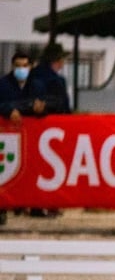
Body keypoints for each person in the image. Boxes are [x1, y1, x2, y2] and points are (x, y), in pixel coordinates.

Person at [0, 51, 48, 225]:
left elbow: (47, 105)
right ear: (13, 67)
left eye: (24, 66)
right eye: (18, 66)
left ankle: (34, 206)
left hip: (31, 137)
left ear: (30, 66)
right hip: (8, 139)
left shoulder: (37, 85)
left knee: (32, 169)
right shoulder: (3, 84)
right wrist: (7, 111)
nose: (21, 69)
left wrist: (40, 109)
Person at [28, 43, 72, 218]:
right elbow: (63, 105)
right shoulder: (57, 80)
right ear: (57, 60)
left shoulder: (32, 76)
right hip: (54, 129)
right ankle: (50, 204)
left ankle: (33, 205)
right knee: (52, 170)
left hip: (31, 128)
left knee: (34, 167)